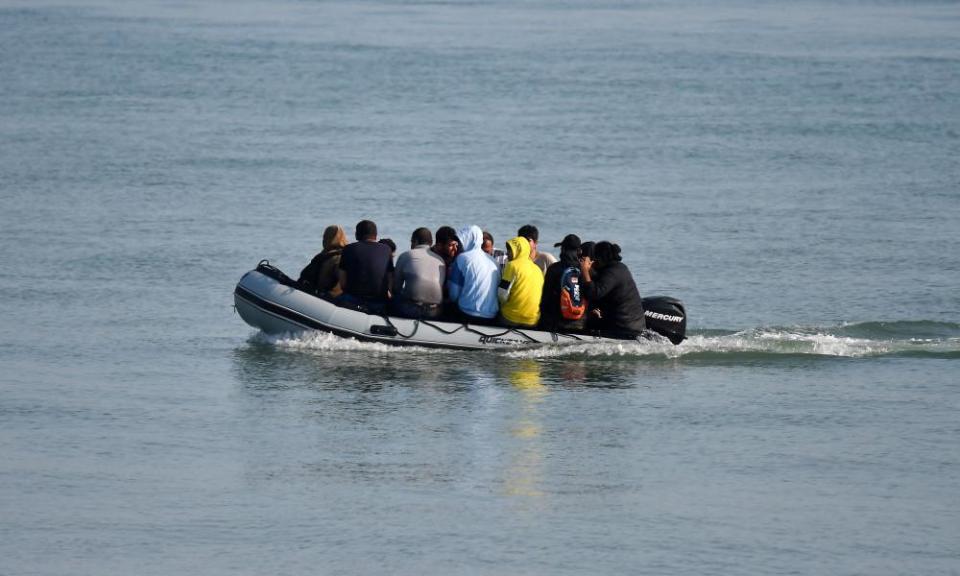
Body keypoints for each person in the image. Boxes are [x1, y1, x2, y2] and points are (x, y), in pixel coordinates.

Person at [580, 241, 646, 336]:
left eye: (595, 258)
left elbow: (594, 293)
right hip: (633, 324)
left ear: (600, 258)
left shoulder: (612, 273)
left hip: (624, 327)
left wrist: (585, 271)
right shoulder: (619, 268)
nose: (593, 261)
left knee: (589, 322)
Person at [337, 219, 394, 314]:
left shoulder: (348, 249)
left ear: (357, 235)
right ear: (375, 235)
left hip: (353, 300)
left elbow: (342, 282)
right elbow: (390, 277)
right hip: (380, 302)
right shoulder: (386, 249)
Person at [447, 225, 500, 323]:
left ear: (468, 241)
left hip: (468, 314)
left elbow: (453, 295)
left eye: (461, 241)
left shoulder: (462, 258)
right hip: (492, 315)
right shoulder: (494, 262)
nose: (458, 245)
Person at [392, 228, 445, 319]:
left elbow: (396, 287)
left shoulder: (406, 255)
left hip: (411, 309)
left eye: (412, 242)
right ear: (431, 242)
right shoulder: (440, 260)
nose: (411, 245)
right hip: (435, 311)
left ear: (415, 241)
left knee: (394, 298)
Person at [539, 234, 587, 332]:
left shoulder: (554, 269)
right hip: (580, 323)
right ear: (579, 251)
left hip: (558, 324)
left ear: (563, 249)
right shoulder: (585, 271)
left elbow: (545, 300)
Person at [498, 236, 544, 328]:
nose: (507, 253)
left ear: (518, 250)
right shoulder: (538, 269)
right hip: (533, 320)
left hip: (511, 318)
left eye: (510, 250)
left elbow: (502, 295)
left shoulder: (512, 266)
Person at [297, 224, 348, 298]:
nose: (324, 239)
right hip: (319, 298)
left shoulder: (337, 258)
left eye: (326, 236)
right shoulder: (323, 256)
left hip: (327, 299)